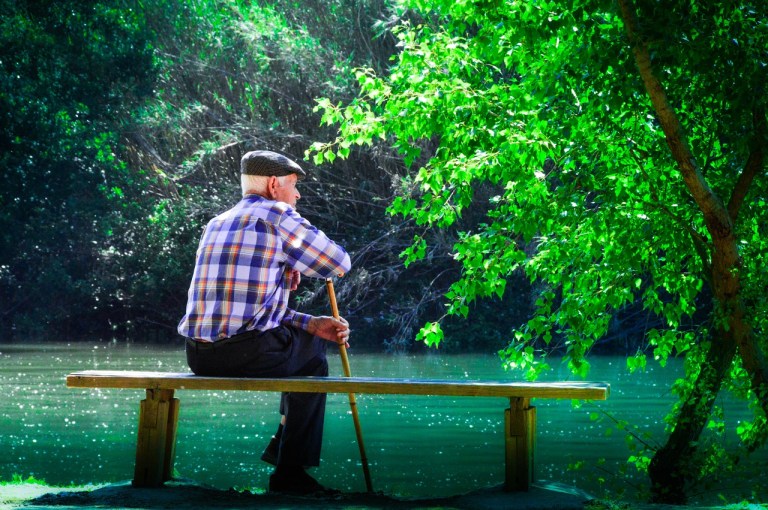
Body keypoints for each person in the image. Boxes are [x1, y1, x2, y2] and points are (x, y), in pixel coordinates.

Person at [177, 150, 352, 495]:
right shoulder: (278, 215)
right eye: (293, 186)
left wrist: (309, 322)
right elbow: (337, 263)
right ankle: (289, 473)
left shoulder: (217, 222)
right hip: (246, 351)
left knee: (308, 339)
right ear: (274, 185)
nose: (297, 195)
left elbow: (248, 309)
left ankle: (283, 450)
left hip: (199, 356)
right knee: (314, 355)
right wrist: (295, 260)